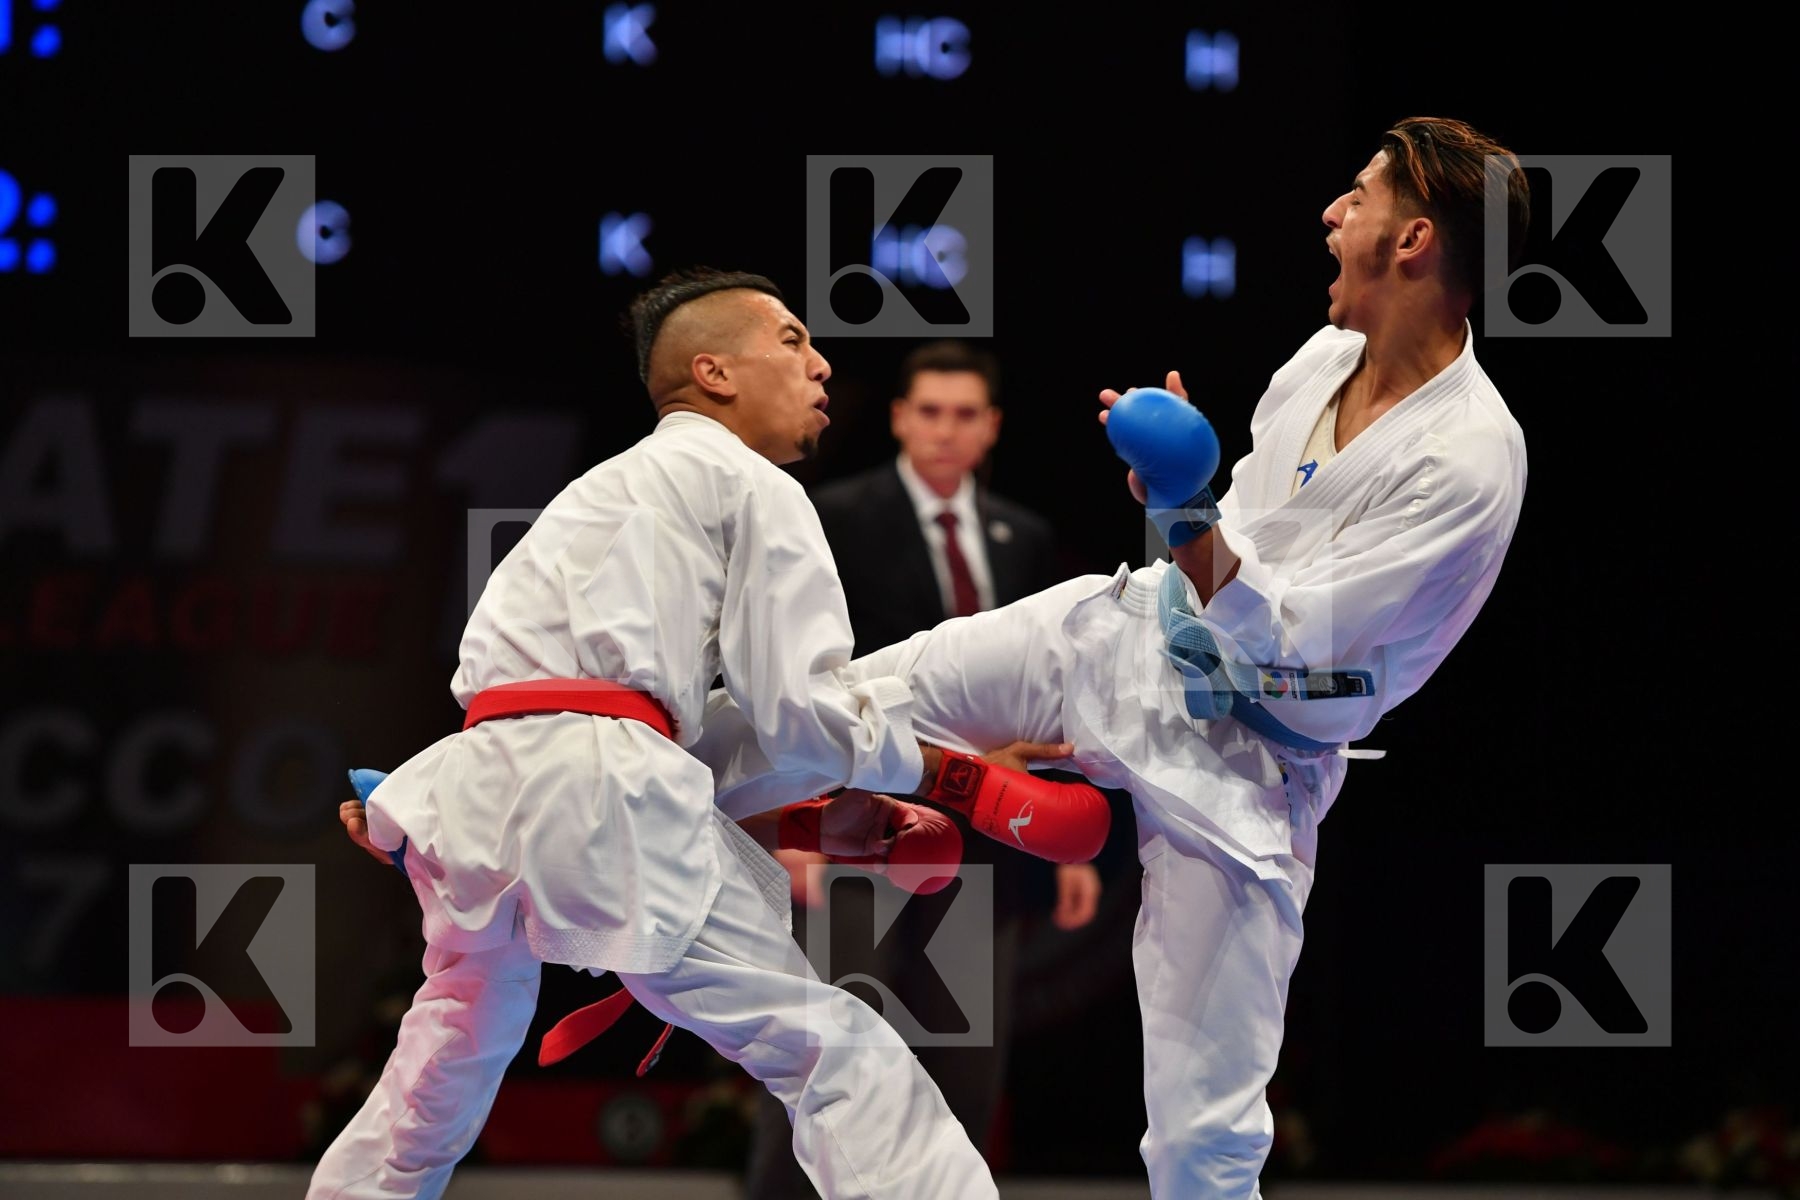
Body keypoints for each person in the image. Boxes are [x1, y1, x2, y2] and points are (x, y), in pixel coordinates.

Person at [691, 117, 1532, 1198]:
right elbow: (1225, 549)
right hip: (1127, 640)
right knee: (847, 702)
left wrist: (1184, 502)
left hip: (1248, 768)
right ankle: (605, 775)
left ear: (1414, 240)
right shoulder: (1324, 359)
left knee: (1201, 1135)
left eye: (1360, 195)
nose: (1333, 213)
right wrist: (1181, 503)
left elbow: (1289, 647)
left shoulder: (1468, 459)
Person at [312, 267, 1008, 1200]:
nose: (822, 365)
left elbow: (556, 702)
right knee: (832, 1048)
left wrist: (807, 814)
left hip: (480, 787)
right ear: (714, 373)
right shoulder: (751, 484)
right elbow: (796, 712)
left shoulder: (592, 492)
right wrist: (939, 767)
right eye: (793, 341)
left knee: (447, 1049)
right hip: (597, 788)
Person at [746, 341, 1102, 1196]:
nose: (946, 430)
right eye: (930, 411)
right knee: (827, 1052)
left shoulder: (1025, 537)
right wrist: (792, 824)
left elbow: (1049, 694)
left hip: (989, 828)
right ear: (901, 418)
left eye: (965, 414)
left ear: (992, 427)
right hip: (856, 822)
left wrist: (1064, 840)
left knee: (965, 1062)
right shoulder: (832, 517)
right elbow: (792, 675)